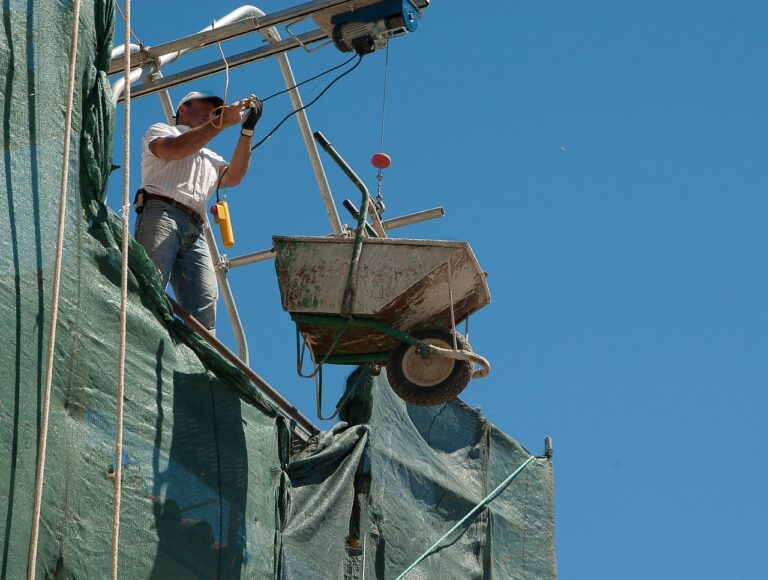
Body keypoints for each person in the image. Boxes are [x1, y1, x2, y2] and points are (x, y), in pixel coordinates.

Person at [134, 91, 262, 332]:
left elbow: (234, 176)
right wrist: (221, 122)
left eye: (214, 110)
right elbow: (175, 150)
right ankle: (141, 338)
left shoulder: (209, 156)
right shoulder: (161, 130)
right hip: (162, 213)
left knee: (204, 305)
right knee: (150, 284)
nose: (211, 113)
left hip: (195, 228)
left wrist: (247, 131)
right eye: (206, 106)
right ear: (183, 107)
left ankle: (198, 364)